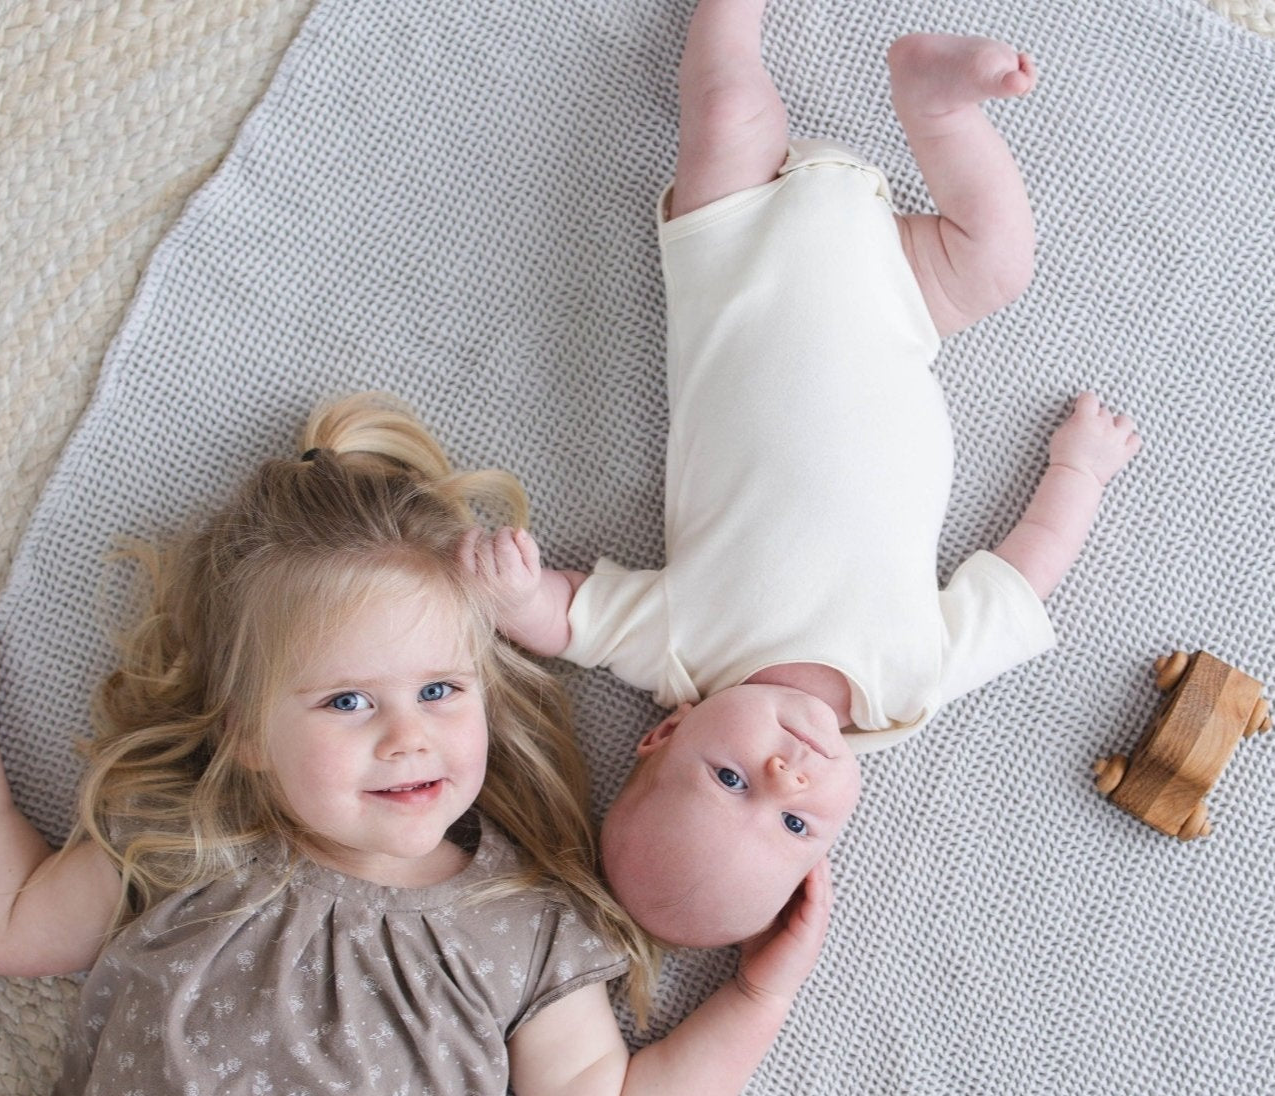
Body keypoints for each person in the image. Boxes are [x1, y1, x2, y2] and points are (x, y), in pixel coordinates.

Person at [0, 393, 831, 1096]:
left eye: (439, 690)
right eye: (348, 701)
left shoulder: (517, 922)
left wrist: (757, 998)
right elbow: (9, 921)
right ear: (246, 732)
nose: (406, 735)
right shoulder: (196, 840)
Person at [463, 4, 1142, 949]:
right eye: (793, 823)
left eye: (729, 779)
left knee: (727, 106)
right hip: (902, 299)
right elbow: (1024, 578)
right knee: (999, 261)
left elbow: (567, 618)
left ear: (666, 734)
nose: (786, 775)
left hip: (734, 249)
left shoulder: (683, 655)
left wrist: (509, 596)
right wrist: (1080, 469)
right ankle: (935, 105)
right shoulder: (910, 684)